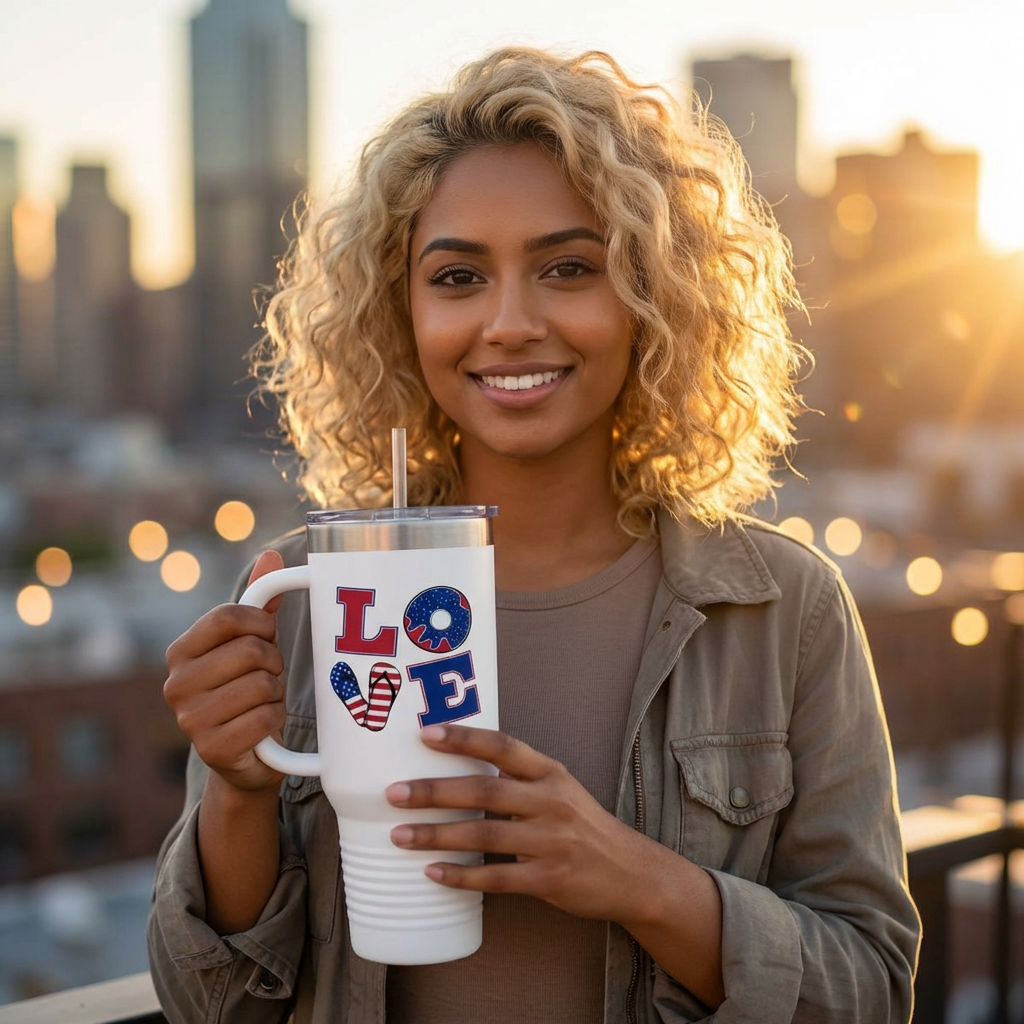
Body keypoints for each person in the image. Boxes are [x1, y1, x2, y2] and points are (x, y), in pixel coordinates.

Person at [148, 48, 920, 1024]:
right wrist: (236, 792)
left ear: (653, 295)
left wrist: (632, 877)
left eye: (567, 268)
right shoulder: (310, 594)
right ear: (401, 314)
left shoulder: (784, 608)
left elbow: (872, 989)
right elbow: (206, 1009)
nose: (509, 323)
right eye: (458, 275)